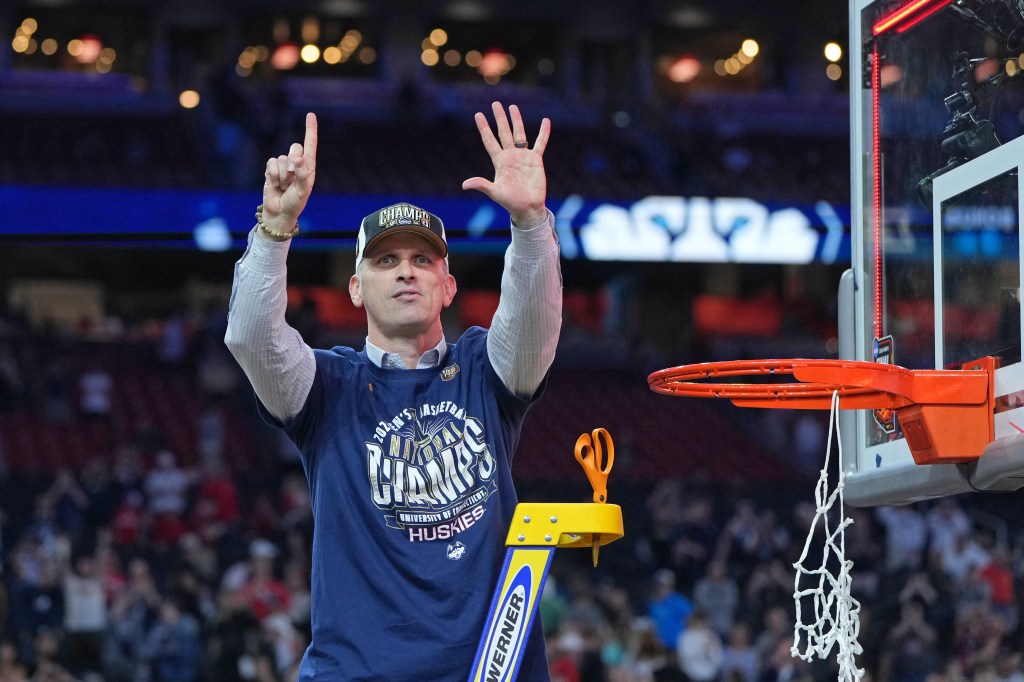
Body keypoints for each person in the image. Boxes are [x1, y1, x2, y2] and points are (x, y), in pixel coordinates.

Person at [224, 102, 561, 680]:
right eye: (386, 261)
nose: (406, 271)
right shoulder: (328, 384)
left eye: (422, 260)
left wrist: (531, 225)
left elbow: (534, 323)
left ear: (448, 285)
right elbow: (251, 338)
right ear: (356, 288)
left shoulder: (485, 367)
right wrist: (275, 230)